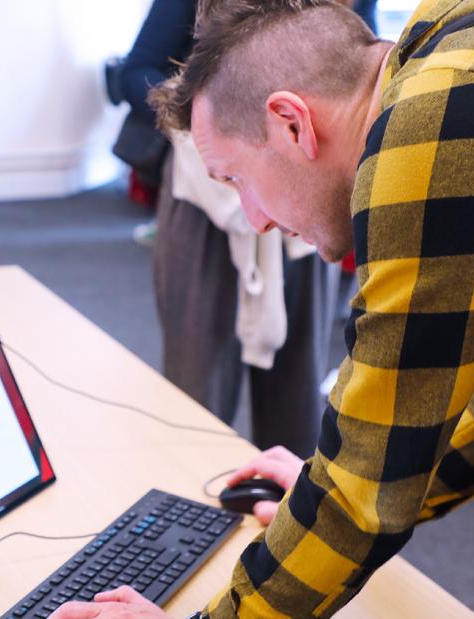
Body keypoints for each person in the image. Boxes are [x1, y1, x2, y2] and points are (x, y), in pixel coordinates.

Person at [51, 0, 474, 617]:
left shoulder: (443, 126)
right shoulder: (455, 45)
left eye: (236, 179)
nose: (256, 220)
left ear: (292, 123)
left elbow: (365, 486)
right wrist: (322, 487)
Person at [120, 0, 341, 457]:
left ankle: (294, 521)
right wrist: (209, 125)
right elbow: (136, 70)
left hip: (301, 211)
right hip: (205, 209)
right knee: (196, 396)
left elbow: (355, 66)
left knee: (297, 401)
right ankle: (189, 520)